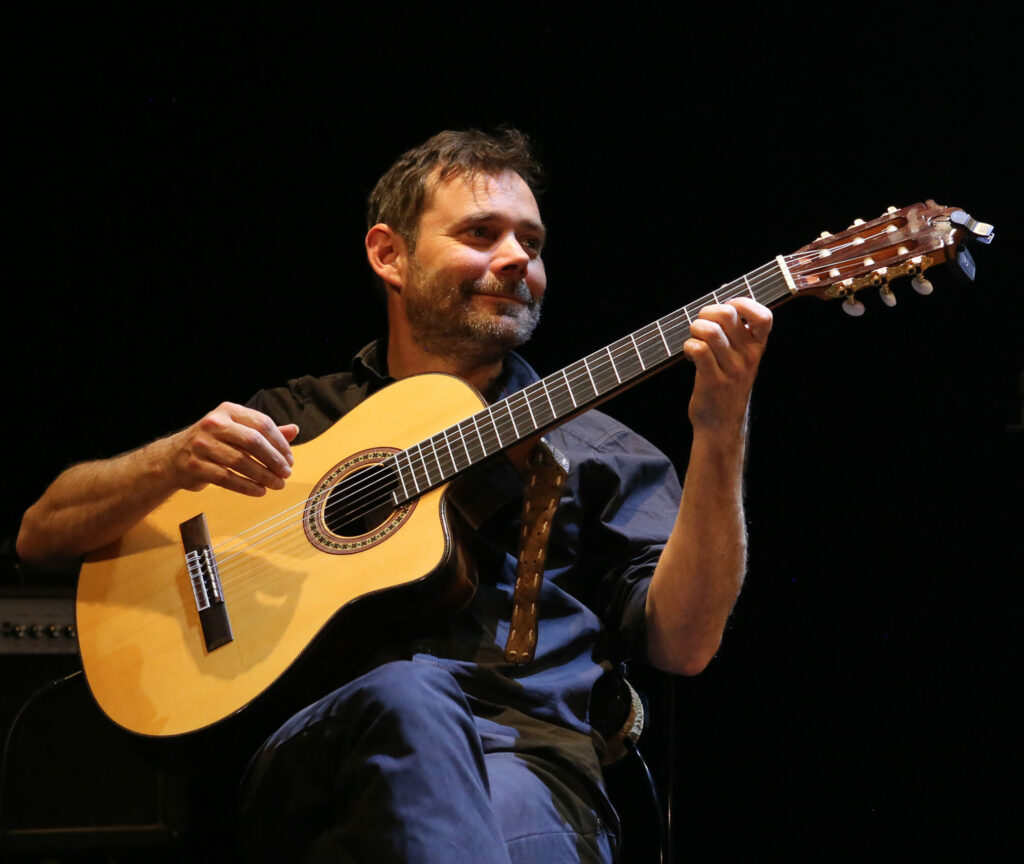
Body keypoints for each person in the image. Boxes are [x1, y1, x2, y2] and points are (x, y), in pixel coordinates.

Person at [17, 129, 773, 862]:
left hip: (529, 761)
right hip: (322, 764)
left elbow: (685, 644)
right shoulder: (302, 418)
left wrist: (719, 430)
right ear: (389, 255)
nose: (516, 260)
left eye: (532, 243)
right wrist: (171, 462)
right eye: (482, 233)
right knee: (412, 697)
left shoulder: (601, 451)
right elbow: (40, 534)